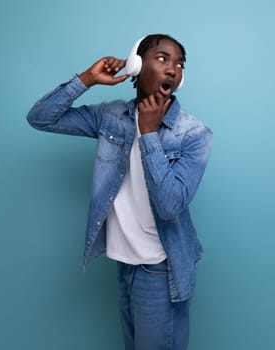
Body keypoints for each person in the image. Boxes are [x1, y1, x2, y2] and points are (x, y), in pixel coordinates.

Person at [26, 34, 212, 350]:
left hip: (160, 271)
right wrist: (86, 79)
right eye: (162, 58)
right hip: (125, 264)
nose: (172, 69)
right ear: (136, 64)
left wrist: (149, 135)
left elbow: (170, 205)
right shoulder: (111, 117)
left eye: (179, 64)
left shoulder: (193, 134)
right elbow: (40, 118)